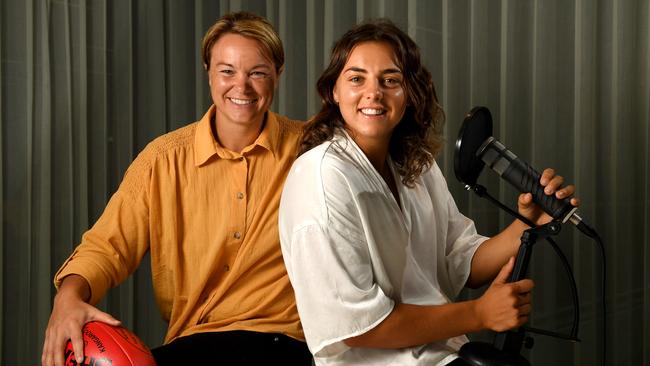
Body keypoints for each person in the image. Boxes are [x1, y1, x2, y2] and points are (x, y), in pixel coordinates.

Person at [278, 19, 579, 366]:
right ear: (333, 90)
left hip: (445, 354)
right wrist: (479, 314)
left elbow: (460, 263)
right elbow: (356, 326)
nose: (373, 92)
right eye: (356, 78)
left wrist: (529, 222)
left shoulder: (417, 167)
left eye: (390, 80)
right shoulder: (320, 178)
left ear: (410, 93)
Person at [42, 12, 313, 366]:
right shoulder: (162, 159)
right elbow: (107, 248)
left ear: (278, 73)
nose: (241, 87)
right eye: (227, 70)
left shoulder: (312, 151)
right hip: (192, 343)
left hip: (281, 343)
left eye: (257, 72)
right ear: (208, 71)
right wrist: (67, 301)